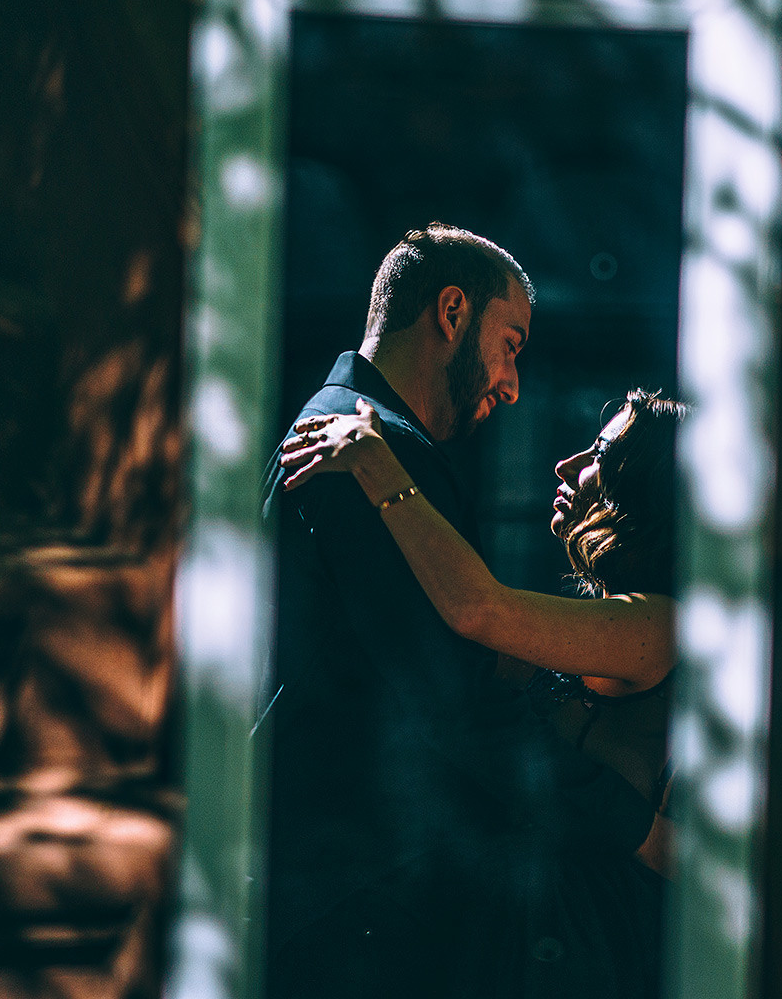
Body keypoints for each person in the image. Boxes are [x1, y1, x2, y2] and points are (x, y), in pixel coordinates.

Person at [263, 224, 659, 999]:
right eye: (511, 345)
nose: (512, 385)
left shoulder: (354, 434)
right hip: (356, 888)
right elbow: (453, 702)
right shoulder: (364, 449)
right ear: (451, 312)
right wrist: (632, 829)